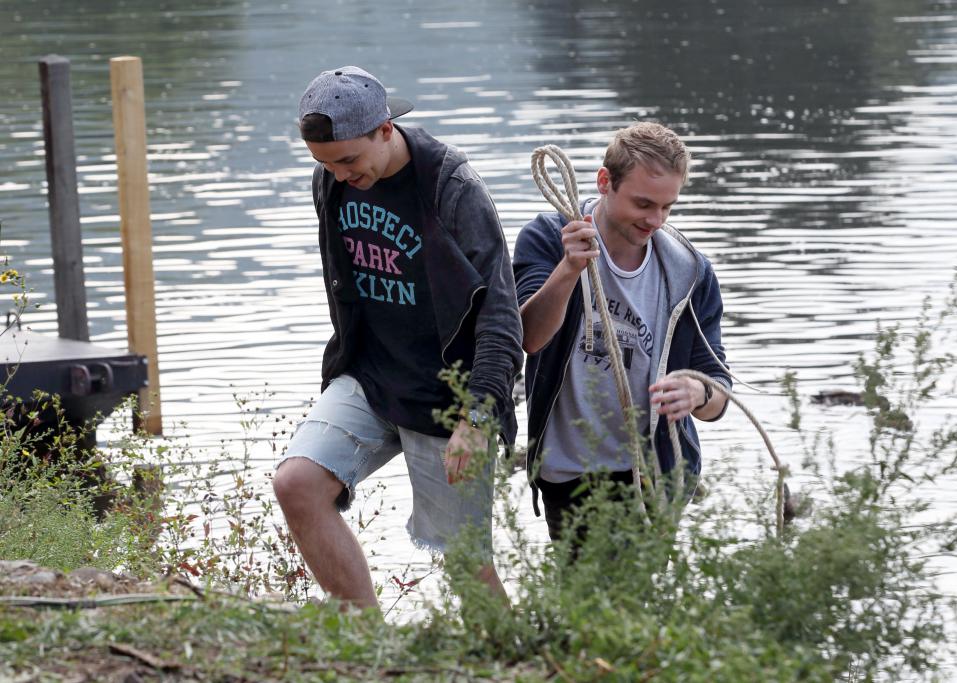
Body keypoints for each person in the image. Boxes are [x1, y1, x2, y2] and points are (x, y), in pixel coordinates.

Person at [273, 66, 522, 609]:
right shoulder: (331, 180)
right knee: (296, 485)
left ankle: (516, 652)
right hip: (370, 376)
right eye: (325, 164)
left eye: (348, 161)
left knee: (466, 566)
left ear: (386, 129)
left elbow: (502, 314)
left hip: (449, 396)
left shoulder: (453, 187)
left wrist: (478, 416)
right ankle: (366, 640)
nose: (340, 175)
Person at [513, 122, 730, 543]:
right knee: (587, 585)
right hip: (568, 470)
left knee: (642, 586)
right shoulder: (549, 238)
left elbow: (718, 393)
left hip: (655, 473)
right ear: (604, 182)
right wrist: (568, 270)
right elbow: (530, 338)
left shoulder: (690, 272)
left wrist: (696, 392)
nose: (655, 220)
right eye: (643, 203)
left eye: (667, 207)